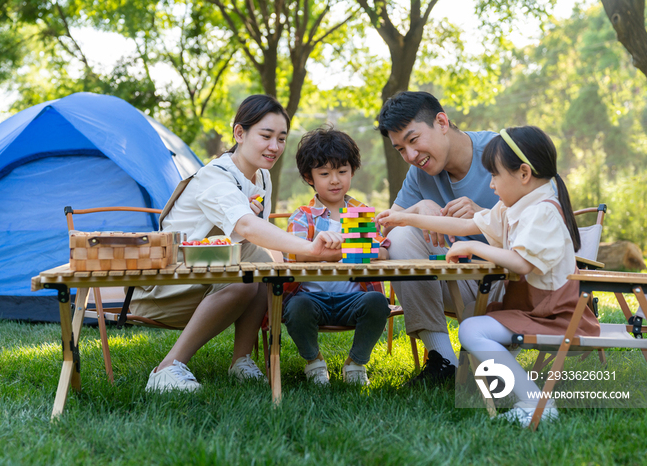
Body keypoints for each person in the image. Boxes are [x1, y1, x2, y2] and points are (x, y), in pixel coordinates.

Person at [376, 126, 600, 426]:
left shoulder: (542, 212)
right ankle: (483, 384)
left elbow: (521, 263)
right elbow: (463, 227)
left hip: (555, 314)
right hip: (536, 308)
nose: (491, 185)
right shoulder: (517, 207)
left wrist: (471, 247)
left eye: (495, 175)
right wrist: (405, 217)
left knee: (472, 330)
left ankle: (535, 404)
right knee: (471, 316)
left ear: (523, 174)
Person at [131, 95, 342, 393]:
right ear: (239, 134)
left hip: (210, 272)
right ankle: (167, 368)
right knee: (245, 276)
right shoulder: (215, 176)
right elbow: (246, 225)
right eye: (266, 136)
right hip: (167, 284)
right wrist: (308, 248)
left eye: (281, 138)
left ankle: (241, 360)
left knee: (262, 264)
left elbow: (259, 234)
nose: (274, 147)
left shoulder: (262, 177)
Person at [376, 91, 503, 386]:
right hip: (465, 281)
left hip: (512, 281)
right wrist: (416, 210)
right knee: (402, 236)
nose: (410, 155)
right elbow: (385, 230)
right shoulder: (418, 174)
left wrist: (484, 214)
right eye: (400, 149)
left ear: (442, 122)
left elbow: (544, 227)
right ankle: (442, 360)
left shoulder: (500, 153)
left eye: (413, 140)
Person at [281, 127, 391, 386]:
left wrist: (352, 248)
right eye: (324, 173)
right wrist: (337, 252)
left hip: (353, 299)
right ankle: (314, 360)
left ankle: (356, 362)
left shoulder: (360, 212)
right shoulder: (304, 215)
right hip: (310, 298)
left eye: (342, 172)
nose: (334, 180)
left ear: (352, 172)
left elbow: (383, 250)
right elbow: (293, 253)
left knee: (378, 302)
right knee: (295, 308)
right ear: (310, 177)